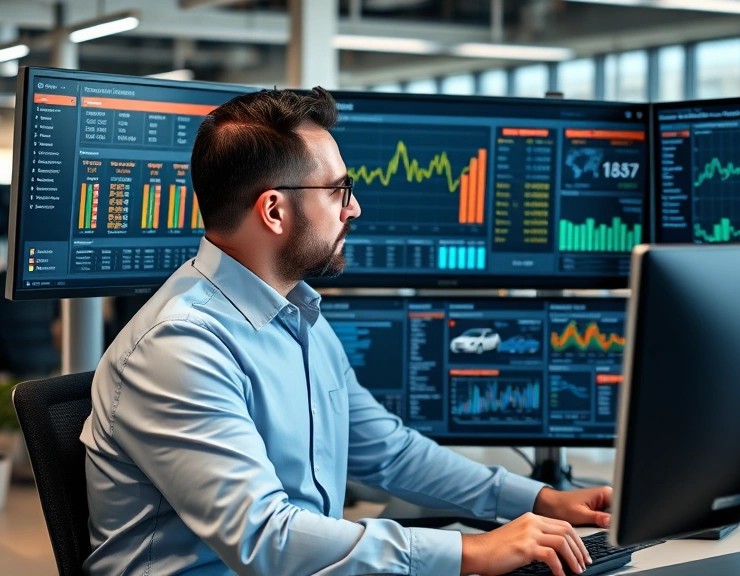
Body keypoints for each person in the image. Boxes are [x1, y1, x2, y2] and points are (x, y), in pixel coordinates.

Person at [81, 88, 613, 576]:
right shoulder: (180, 345)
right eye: (339, 190)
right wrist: (472, 551)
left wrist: (539, 500)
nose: (354, 207)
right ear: (274, 210)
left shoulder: (297, 316)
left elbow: (389, 453)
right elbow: (265, 537)